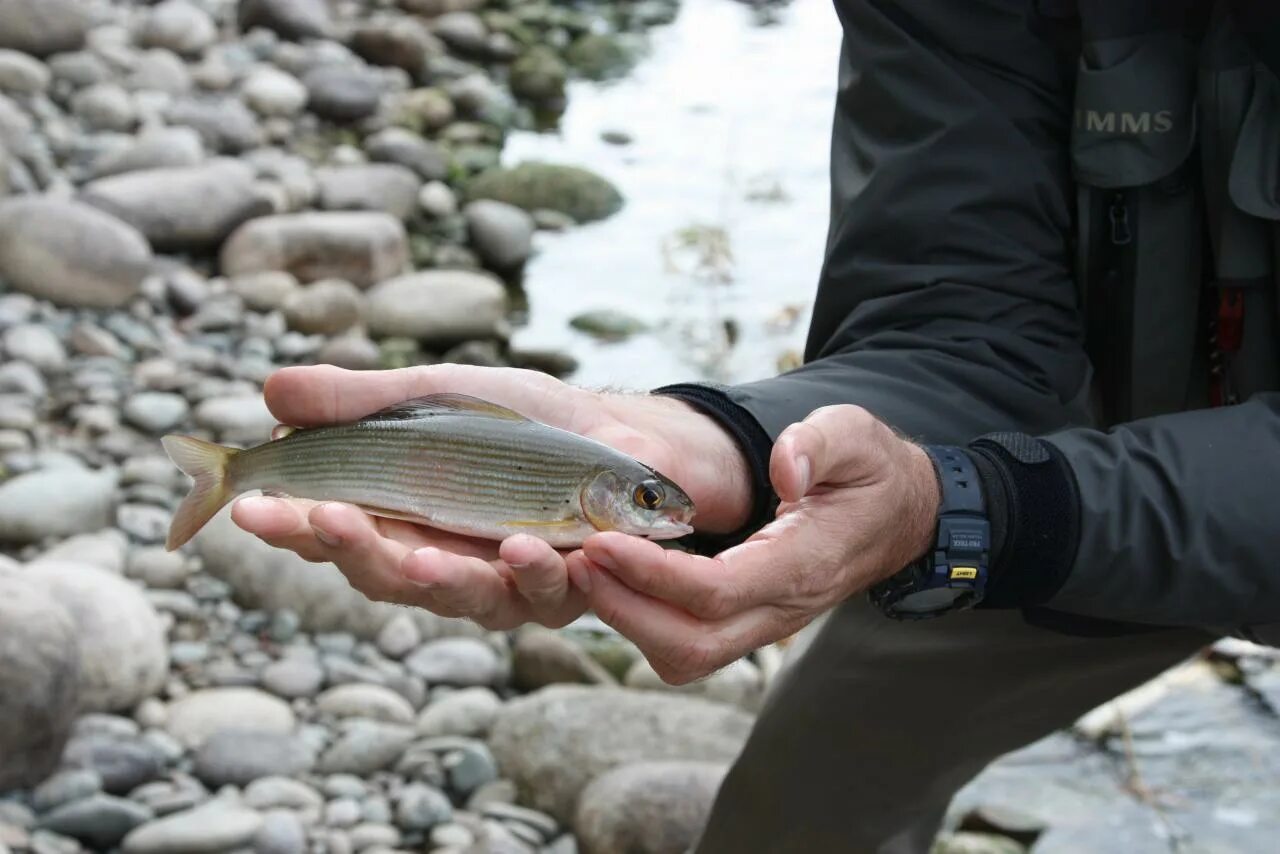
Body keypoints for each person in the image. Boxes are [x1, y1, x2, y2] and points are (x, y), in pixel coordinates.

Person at [233, 0, 1280, 850]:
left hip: (1036, 498)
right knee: (796, 809)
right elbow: (956, 320)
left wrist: (978, 506)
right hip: (1047, 490)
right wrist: (728, 443)